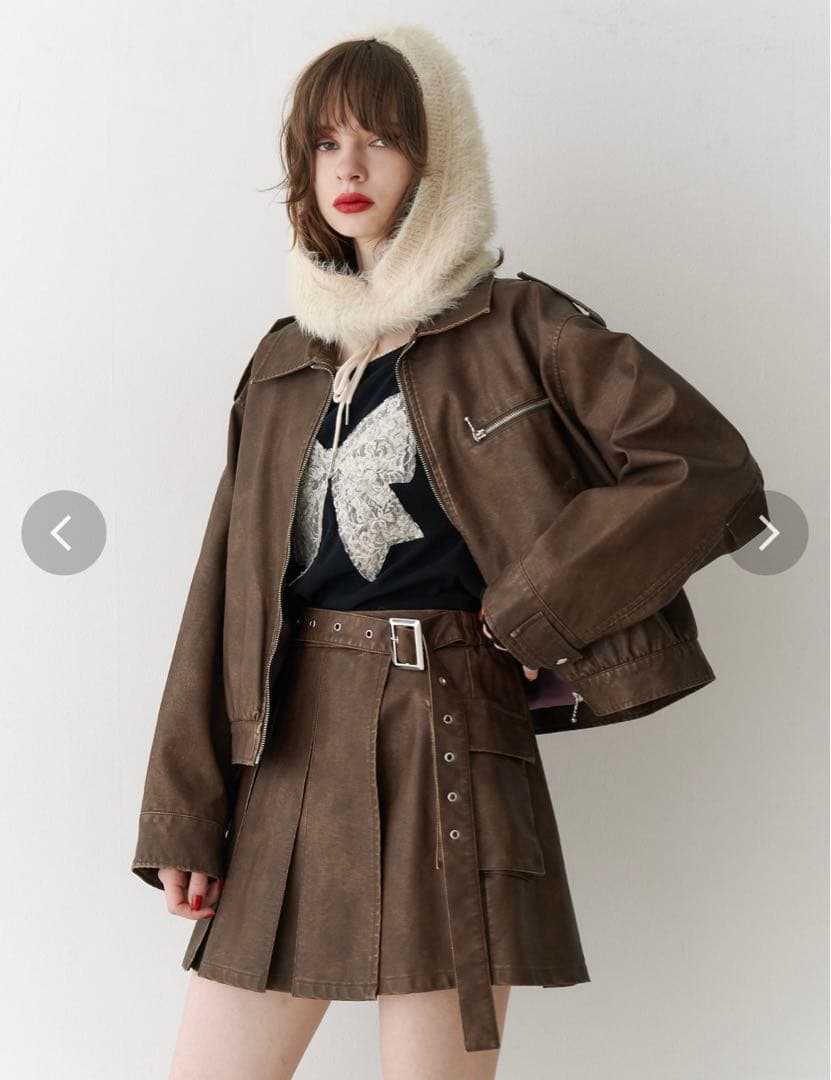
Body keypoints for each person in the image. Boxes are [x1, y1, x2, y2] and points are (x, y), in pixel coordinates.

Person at [130, 22, 769, 1080]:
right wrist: (185, 813)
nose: (349, 167)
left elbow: (703, 466)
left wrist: (537, 609)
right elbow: (222, 596)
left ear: (439, 157)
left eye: (380, 138)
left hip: (450, 731)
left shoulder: (523, 326)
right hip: (286, 749)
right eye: (325, 143)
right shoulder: (284, 363)